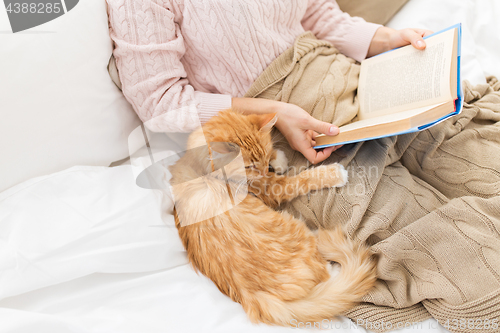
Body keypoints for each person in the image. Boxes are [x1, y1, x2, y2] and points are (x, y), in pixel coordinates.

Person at [106, 0, 431, 164]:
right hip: (279, 143)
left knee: (459, 149)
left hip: (349, 84)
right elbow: (159, 101)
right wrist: (272, 113)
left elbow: (317, 15)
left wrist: (388, 39)